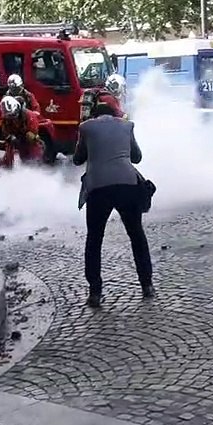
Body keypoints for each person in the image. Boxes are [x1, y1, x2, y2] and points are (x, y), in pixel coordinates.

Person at [73, 101, 153, 308]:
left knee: (94, 239)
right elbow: (137, 157)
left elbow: (77, 159)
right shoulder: (127, 126)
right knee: (136, 235)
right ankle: (147, 285)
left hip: (98, 187)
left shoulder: (85, 127)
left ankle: (95, 292)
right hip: (127, 184)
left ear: (94, 116)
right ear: (114, 114)